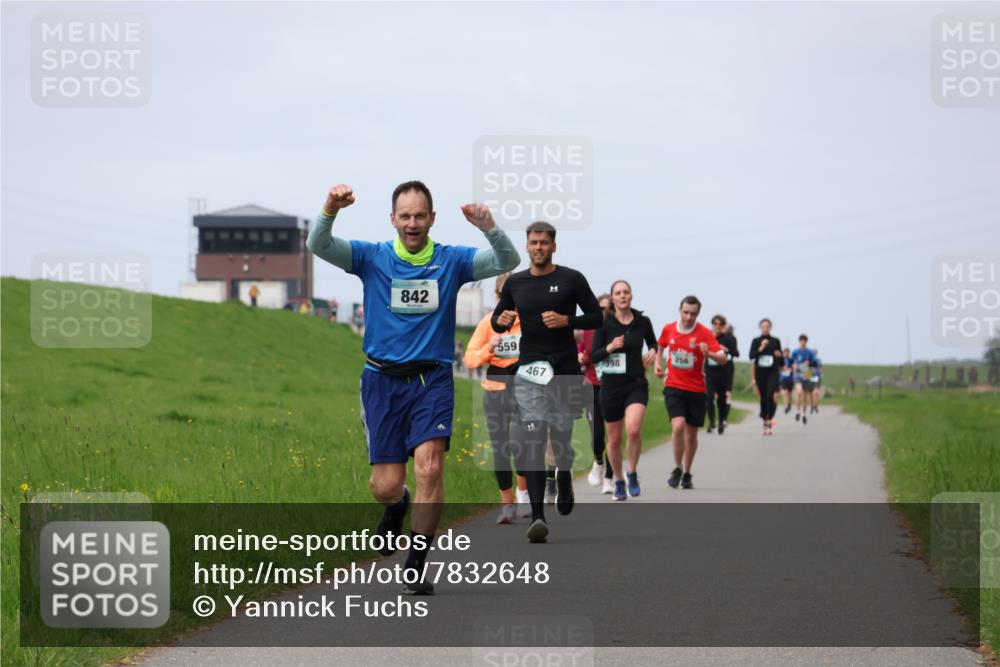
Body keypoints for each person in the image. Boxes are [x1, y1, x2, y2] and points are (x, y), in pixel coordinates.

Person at [308, 181, 519, 594]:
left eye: (420, 215)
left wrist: (489, 227)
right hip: (382, 381)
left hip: (432, 379)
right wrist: (330, 207)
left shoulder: (451, 261)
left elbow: (507, 259)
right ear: (392, 219)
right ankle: (397, 504)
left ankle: (417, 561)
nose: (412, 223)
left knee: (430, 467)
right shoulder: (372, 257)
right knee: (384, 486)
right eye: (404, 216)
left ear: (432, 219)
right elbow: (320, 244)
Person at [491, 221, 601, 543]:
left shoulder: (571, 279)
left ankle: (563, 473)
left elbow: (596, 316)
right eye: (533, 242)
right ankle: (538, 517)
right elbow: (500, 320)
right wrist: (502, 321)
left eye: (544, 243)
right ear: (526, 246)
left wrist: (569, 320)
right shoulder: (516, 283)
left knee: (561, 437)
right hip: (529, 372)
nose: (538, 247)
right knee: (534, 439)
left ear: (554, 246)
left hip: (565, 369)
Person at [464, 273, 530, 524]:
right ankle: (507, 505)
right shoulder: (486, 324)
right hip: (494, 390)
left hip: (523, 389)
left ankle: (523, 495)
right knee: (500, 450)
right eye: (506, 295)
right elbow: (470, 359)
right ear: (498, 296)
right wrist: (489, 348)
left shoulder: (529, 323)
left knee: (520, 443)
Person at [590, 280, 657, 500]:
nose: (622, 296)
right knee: (614, 438)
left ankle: (632, 472)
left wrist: (653, 352)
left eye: (626, 292)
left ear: (631, 295)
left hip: (635, 383)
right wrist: (610, 347)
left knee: (634, 429)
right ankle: (618, 479)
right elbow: (594, 355)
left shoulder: (642, 322)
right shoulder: (603, 324)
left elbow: (653, 343)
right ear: (613, 298)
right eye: (618, 293)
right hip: (610, 386)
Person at [654, 296, 728, 490]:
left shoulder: (704, 333)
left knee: (691, 435)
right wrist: (657, 365)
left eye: (693, 314)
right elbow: (660, 346)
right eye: (685, 312)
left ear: (698, 314)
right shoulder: (669, 328)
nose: (688, 317)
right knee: (678, 426)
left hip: (696, 389)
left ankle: (687, 472)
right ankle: (677, 468)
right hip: (673, 386)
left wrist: (708, 353)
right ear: (680, 310)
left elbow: (723, 358)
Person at [579, 294, 615, 494]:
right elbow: (584, 353)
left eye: (608, 308)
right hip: (591, 385)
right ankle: (599, 461)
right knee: (597, 436)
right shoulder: (588, 330)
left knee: (613, 435)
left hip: (612, 386)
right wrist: (581, 358)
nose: (605, 312)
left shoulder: (618, 330)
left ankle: (609, 478)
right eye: (601, 308)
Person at [748, 318, 783, 435]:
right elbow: (751, 356)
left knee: (770, 396)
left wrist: (779, 355)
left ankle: (769, 420)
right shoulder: (756, 341)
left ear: (770, 327)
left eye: (767, 326)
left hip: (772, 373)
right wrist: (761, 348)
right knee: (763, 398)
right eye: (763, 326)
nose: (765, 328)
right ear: (760, 328)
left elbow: (782, 361)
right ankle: (765, 420)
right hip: (760, 373)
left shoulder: (775, 341)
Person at [705, 314, 738, 435]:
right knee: (708, 397)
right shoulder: (707, 337)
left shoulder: (729, 339)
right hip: (710, 371)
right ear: (712, 325)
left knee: (721, 399)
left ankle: (720, 422)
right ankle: (711, 422)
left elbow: (736, 353)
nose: (717, 326)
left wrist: (726, 349)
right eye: (715, 324)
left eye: (720, 324)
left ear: (724, 326)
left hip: (724, 372)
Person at [789, 334, 818, 425]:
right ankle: (797, 411)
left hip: (806, 373)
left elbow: (815, 362)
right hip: (798, 373)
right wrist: (793, 365)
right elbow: (790, 362)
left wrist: (809, 362)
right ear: (799, 342)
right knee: (799, 392)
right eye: (801, 341)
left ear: (806, 342)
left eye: (804, 341)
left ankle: (804, 414)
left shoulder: (809, 352)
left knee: (805, 397)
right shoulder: (795, 352)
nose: (803, 342)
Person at [779, 348, 795, 414]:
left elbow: (794, 367)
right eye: (784, 352)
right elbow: (778, 367)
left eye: (787, 352)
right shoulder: (781, 360)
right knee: (784, 392)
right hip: (783, 379)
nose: (785, 353)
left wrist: (791, 369)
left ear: (789, 353)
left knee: (789, 393)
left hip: (790, 379)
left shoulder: (791, 360)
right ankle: (786, 406)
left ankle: (789, 405)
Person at [810, 349, 823, 413]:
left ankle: (815, 405)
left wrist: (819, 372)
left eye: (815, 353)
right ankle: (812, 406)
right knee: (812, 394)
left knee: (816, 393)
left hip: (817, 378)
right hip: (810, 378)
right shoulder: (809, 360)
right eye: (813, 353)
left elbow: (821, 369)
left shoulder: (818, 360)